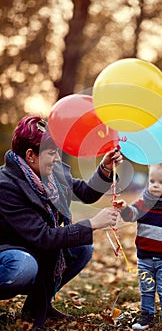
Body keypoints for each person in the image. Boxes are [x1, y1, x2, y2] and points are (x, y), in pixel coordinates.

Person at [0, 115, 123, 330]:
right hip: (10, 251)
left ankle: (37, 307)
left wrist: (105, 167)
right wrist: (92, 223)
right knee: (22, 267)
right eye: (51, 152)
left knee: (82, 246)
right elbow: (44, 237)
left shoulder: (51, 174)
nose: (57, 158)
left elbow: (86, 192)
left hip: (34, 248)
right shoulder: (6, 186)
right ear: (30, 155)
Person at [113, 161, 162, 331]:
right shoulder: (143, 204)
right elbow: (131, 215)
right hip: (145, 257)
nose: (155, 185)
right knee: (146, 289)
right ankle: (146, 317)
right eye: (152, 181)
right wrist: (125, 208)